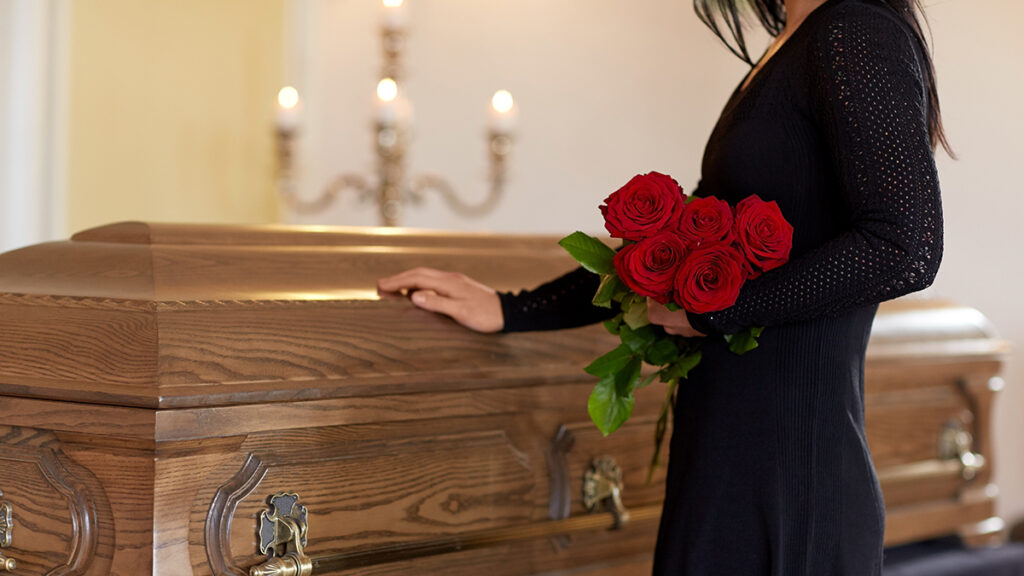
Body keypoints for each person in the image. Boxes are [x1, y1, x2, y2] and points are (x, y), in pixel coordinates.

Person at [378, 0, 945, 573]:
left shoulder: (854, 30)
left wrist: (716, 312)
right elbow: (678, 247)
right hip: (725, 449)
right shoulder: (793, 41)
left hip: (791, 468)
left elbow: (905, 248)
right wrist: (512, 308)